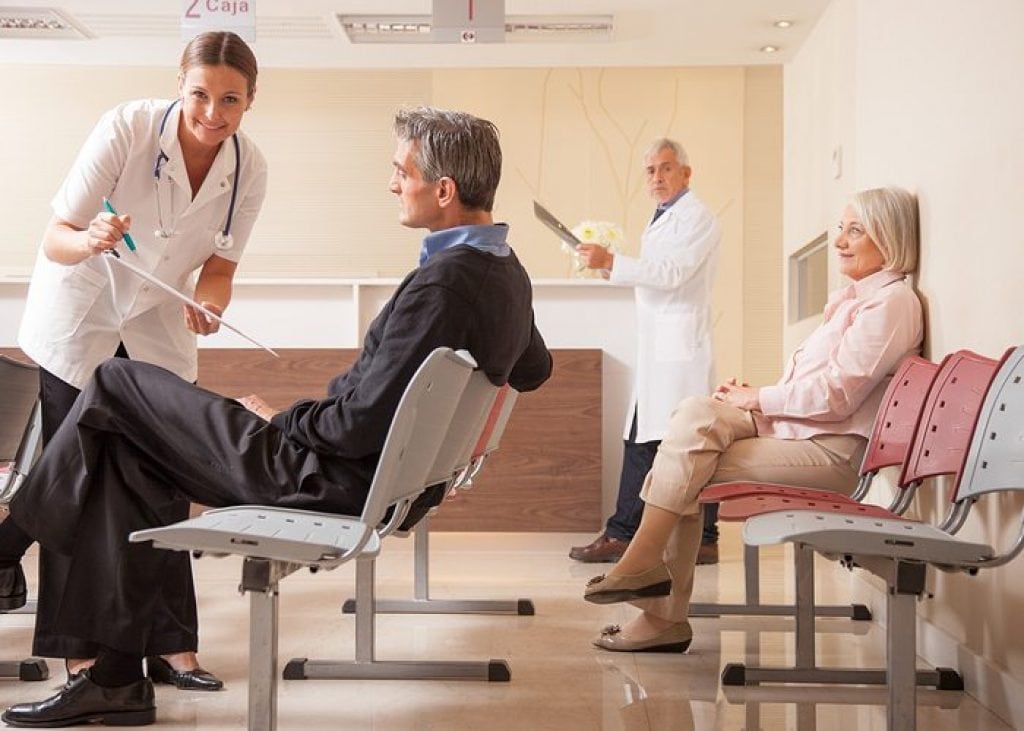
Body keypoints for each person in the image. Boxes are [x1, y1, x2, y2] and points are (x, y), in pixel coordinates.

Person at [0, 106, 552, 728]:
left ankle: (10, 540)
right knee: (127, 443)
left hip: (318, 476)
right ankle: (116, 680)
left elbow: (356, 423)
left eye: (402, 171)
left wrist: (281, 422)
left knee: (115, 380)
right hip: (358, 475)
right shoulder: (503, 273)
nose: (393, 183)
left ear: (444, 190)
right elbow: (533, 369)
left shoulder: (445, 284)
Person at [0, 30, 267, 690]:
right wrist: (91, 237)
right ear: (180, 85)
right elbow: (57, 236)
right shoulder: (126, 128)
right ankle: (82, 653)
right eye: (200, 94)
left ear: (250, 101)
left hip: (156, 328)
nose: (212, 112)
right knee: (85, 481)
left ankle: (173, 645)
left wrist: (207, 304)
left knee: (162, 480)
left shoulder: (249, 169)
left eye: (229, 99)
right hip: (82, 315)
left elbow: (221, 268)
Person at [582, 187, 923, 653]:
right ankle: (646, 577)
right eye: (840, 228)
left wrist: (757, 397)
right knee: (694, 412)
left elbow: (837, 396)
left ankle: (654, 597)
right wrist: (753, 401)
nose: (841, 240)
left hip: (834, 452)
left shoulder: (891, 304)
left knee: (686, 466)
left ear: (890, 237)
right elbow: (826, 389)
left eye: (856, 230)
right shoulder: (855, 300)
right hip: (802, 433)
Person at [569, 138, 722, 566]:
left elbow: (673, 273)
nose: (657, 177)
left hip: (679, 350)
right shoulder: (663, 218)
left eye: (666, 168)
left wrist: (615, 261)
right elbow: (656, 276)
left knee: (677, 441)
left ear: (686, 174)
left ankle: (634, 534)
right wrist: (609, 269)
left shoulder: (698, 218)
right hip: (661, 348)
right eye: (651, 170)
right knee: (650, 436)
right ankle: (686, 534)